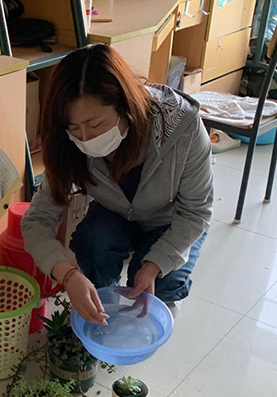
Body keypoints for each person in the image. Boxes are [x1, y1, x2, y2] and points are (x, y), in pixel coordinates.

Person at [22, 44, 213, 323]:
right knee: (93, 242)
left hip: (172, 219)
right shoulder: (69, 144)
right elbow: (36, 221)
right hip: (116, 214)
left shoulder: (183, 127)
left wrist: (154, 265)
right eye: (74, 128)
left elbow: (197, 212)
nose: (85, 138)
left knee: (160, 286)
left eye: (95, 125)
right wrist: (69, 275)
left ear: (126, 106)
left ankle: (163, 296)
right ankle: (103, 307)